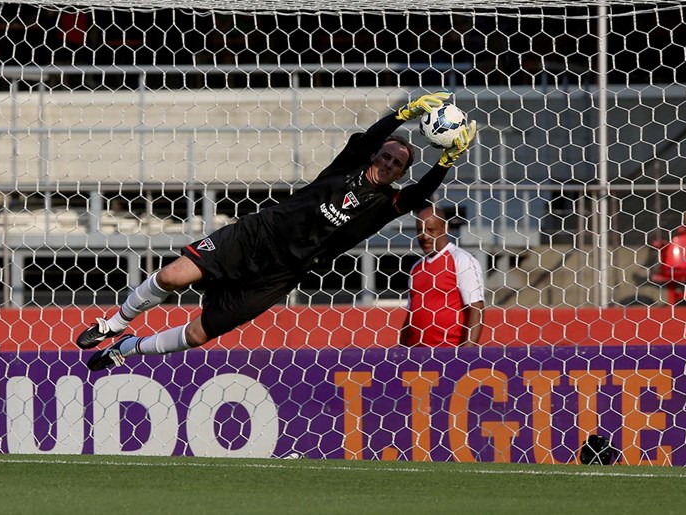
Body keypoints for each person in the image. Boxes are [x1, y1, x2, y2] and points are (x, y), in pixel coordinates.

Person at [76, 91, 478, 370]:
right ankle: (115, 323)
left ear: (400, 175)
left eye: (397, 165)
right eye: (386, 156)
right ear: (375, 154)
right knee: (171, 275)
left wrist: (446, 160)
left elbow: (422, 191)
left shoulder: (387, 204)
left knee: (198, 335)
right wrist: (404, 114)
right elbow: (372, 135)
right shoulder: (348, 165)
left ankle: (126, 350)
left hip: (285, 272)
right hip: (258, 233)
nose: (388, 164)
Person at [399, 204, 485, 347]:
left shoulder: (462, 260)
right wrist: (401, 353)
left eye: (431, 230)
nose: (425, 236)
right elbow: (410, 317)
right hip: (416, 357)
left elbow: (476, 311)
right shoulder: (416, 268)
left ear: (445, 228)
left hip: (449, 354)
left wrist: (466, 356)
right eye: (420, 230)